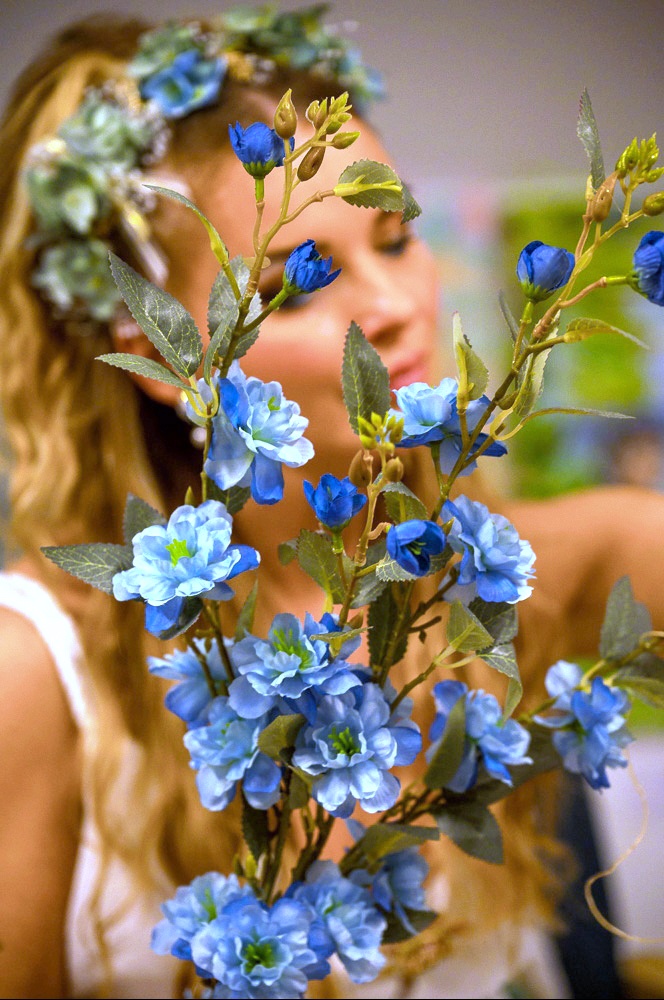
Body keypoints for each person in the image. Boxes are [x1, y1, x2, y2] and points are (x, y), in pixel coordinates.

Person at [0, 7, 662, 1000]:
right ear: (159, 352)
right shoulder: (36, 673)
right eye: (298, 287)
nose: (395, 307)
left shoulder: (543, 572)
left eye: (398, 240)